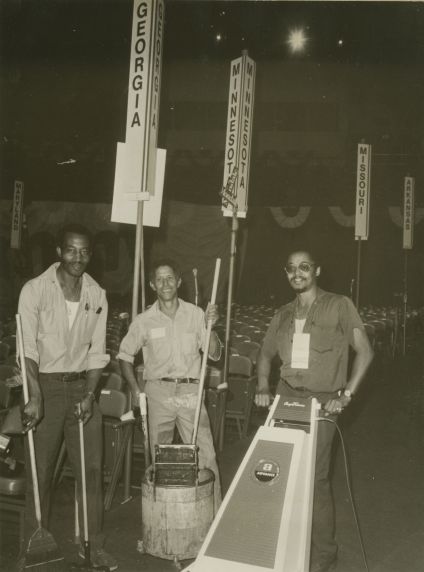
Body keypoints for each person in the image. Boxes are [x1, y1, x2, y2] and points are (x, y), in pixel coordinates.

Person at [255, 248, 374, 572]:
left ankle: (323, 556)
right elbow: (265, 356)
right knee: (278, 475)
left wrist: (346, 395)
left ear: (317, 271)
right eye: (292, 268)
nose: (298, 273)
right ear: (286, 273)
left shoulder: (339, 305)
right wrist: (263, 387)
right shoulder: (281, 314)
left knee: (316, 478)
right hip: (285, 397)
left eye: (304, 267)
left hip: (322, 403)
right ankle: (281, 546)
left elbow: (364, 352)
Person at [17, 223, 117, 571]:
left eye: (85, 251)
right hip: (44, 384)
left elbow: (98, 352)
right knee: (40, 471)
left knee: (91, 469)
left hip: (81, 387)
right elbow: (27, 347)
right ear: (59, 252)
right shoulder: (35, 290)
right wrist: (35, 395)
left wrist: (90, 394)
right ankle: (34, 546)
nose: (79, 257)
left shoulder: (96, 294)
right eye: (71, 250)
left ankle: (92, 547)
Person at [118, 259, 222, 514]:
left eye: (170, 278)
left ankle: (214, 513)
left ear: (178, 281)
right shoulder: (144, 320)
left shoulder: (196, 314)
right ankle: (166, 517)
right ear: (153, 285)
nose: (165, 284)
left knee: (204, 454)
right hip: (159, 393)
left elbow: (215, 353)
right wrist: (135, 389)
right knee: (160, 457)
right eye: (160, 279)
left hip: (189, 392)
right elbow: (124, 356)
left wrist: (211, 327)